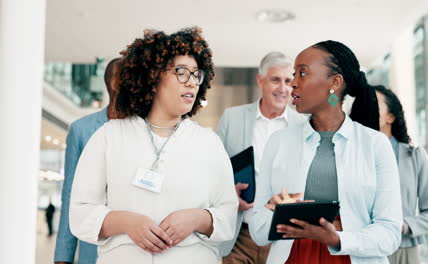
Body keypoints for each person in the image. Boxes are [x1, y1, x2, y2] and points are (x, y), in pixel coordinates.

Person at [69, 27, 238, 264]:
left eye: (196, 74)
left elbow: (228, 215)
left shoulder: (209, 143)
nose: (191, 82)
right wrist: (126, 222)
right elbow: (80, 212)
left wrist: (197, 218)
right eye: (181, 72)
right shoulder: (109, 136)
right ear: (153, 77)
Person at [250, 40, 403, 264]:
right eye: (295, 74)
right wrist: (275, 211)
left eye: (302, 73)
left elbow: (390, 234)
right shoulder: (278, 142)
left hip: (351, 256)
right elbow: (257, 231)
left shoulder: (376, 144)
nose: (293, 83)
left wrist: (338, 239)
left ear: (334, 82)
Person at [216, 51, 305, 264]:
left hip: (282, 237)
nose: (283, 88)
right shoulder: (232, 118)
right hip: (239, 236)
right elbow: (214, 171)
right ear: (260, 80)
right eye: (276, 80)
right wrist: (228, 195)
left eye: (288, 81)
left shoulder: (304, 125)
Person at [54, 57, 122, 264]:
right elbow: (70, 196)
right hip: (93, 245)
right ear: (113, 83)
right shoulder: (81, 130)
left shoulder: (145, 128)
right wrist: (63, 257)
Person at [374, 85, 428, 264]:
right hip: (365, 248)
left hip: (404, 250)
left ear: (390, 117)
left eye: (374, 103)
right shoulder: (354, 155)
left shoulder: (414, 156)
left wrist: (403, 225)